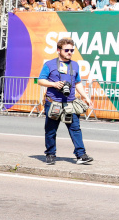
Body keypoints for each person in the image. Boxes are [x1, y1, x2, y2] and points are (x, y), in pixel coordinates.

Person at [37, 37, 94, 165]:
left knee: (75, 129)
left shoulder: (75, 65)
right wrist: (54, 84)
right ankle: (50, 154)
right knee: (51, 130)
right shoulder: (49, 64)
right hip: (53, 103)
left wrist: (86, 97)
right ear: (58, 50)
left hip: (70, 103)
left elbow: (78, 83)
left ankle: (81, 155)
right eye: (67, 50)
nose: (70, 52)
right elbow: (40, 80)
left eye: (72, 50)